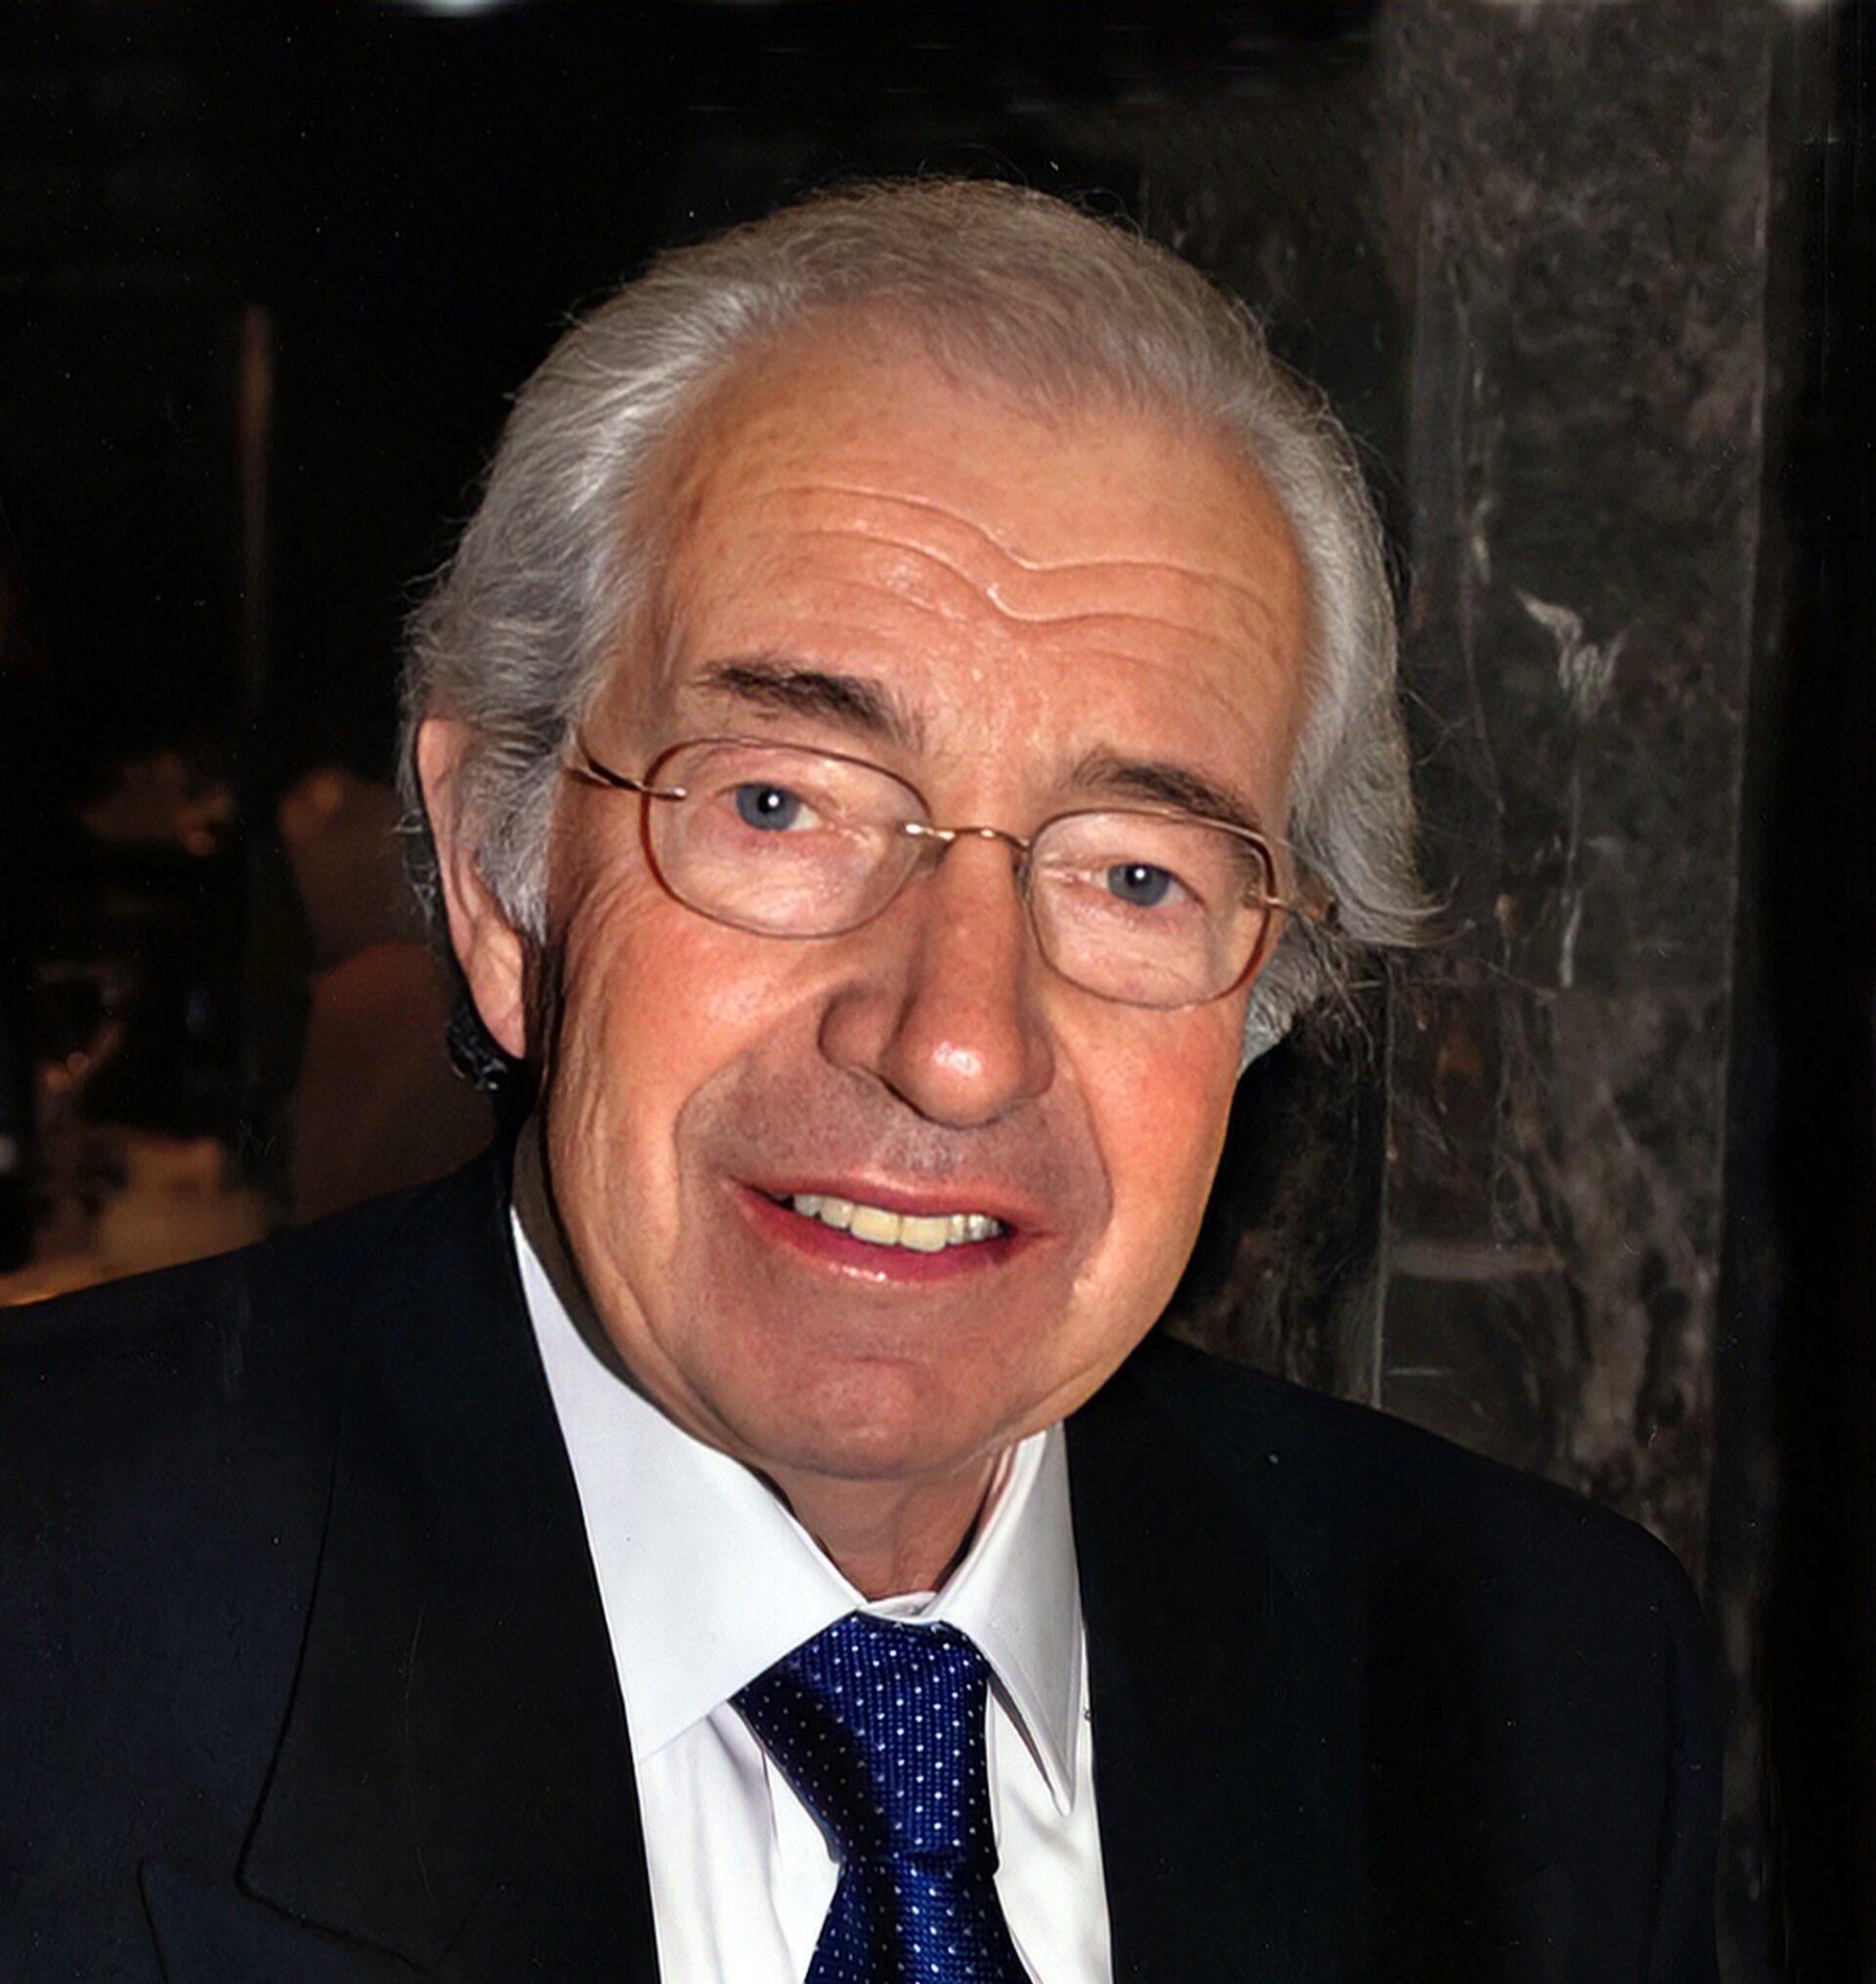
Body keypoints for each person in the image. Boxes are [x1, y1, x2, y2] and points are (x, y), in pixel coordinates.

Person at [2, 180, 1718, 1983]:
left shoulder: (1548, 1698)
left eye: (1135, 875)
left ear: (1269, 988)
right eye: (783, 805)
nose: (956, 1044)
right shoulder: (48, 1615)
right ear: (505, 880)